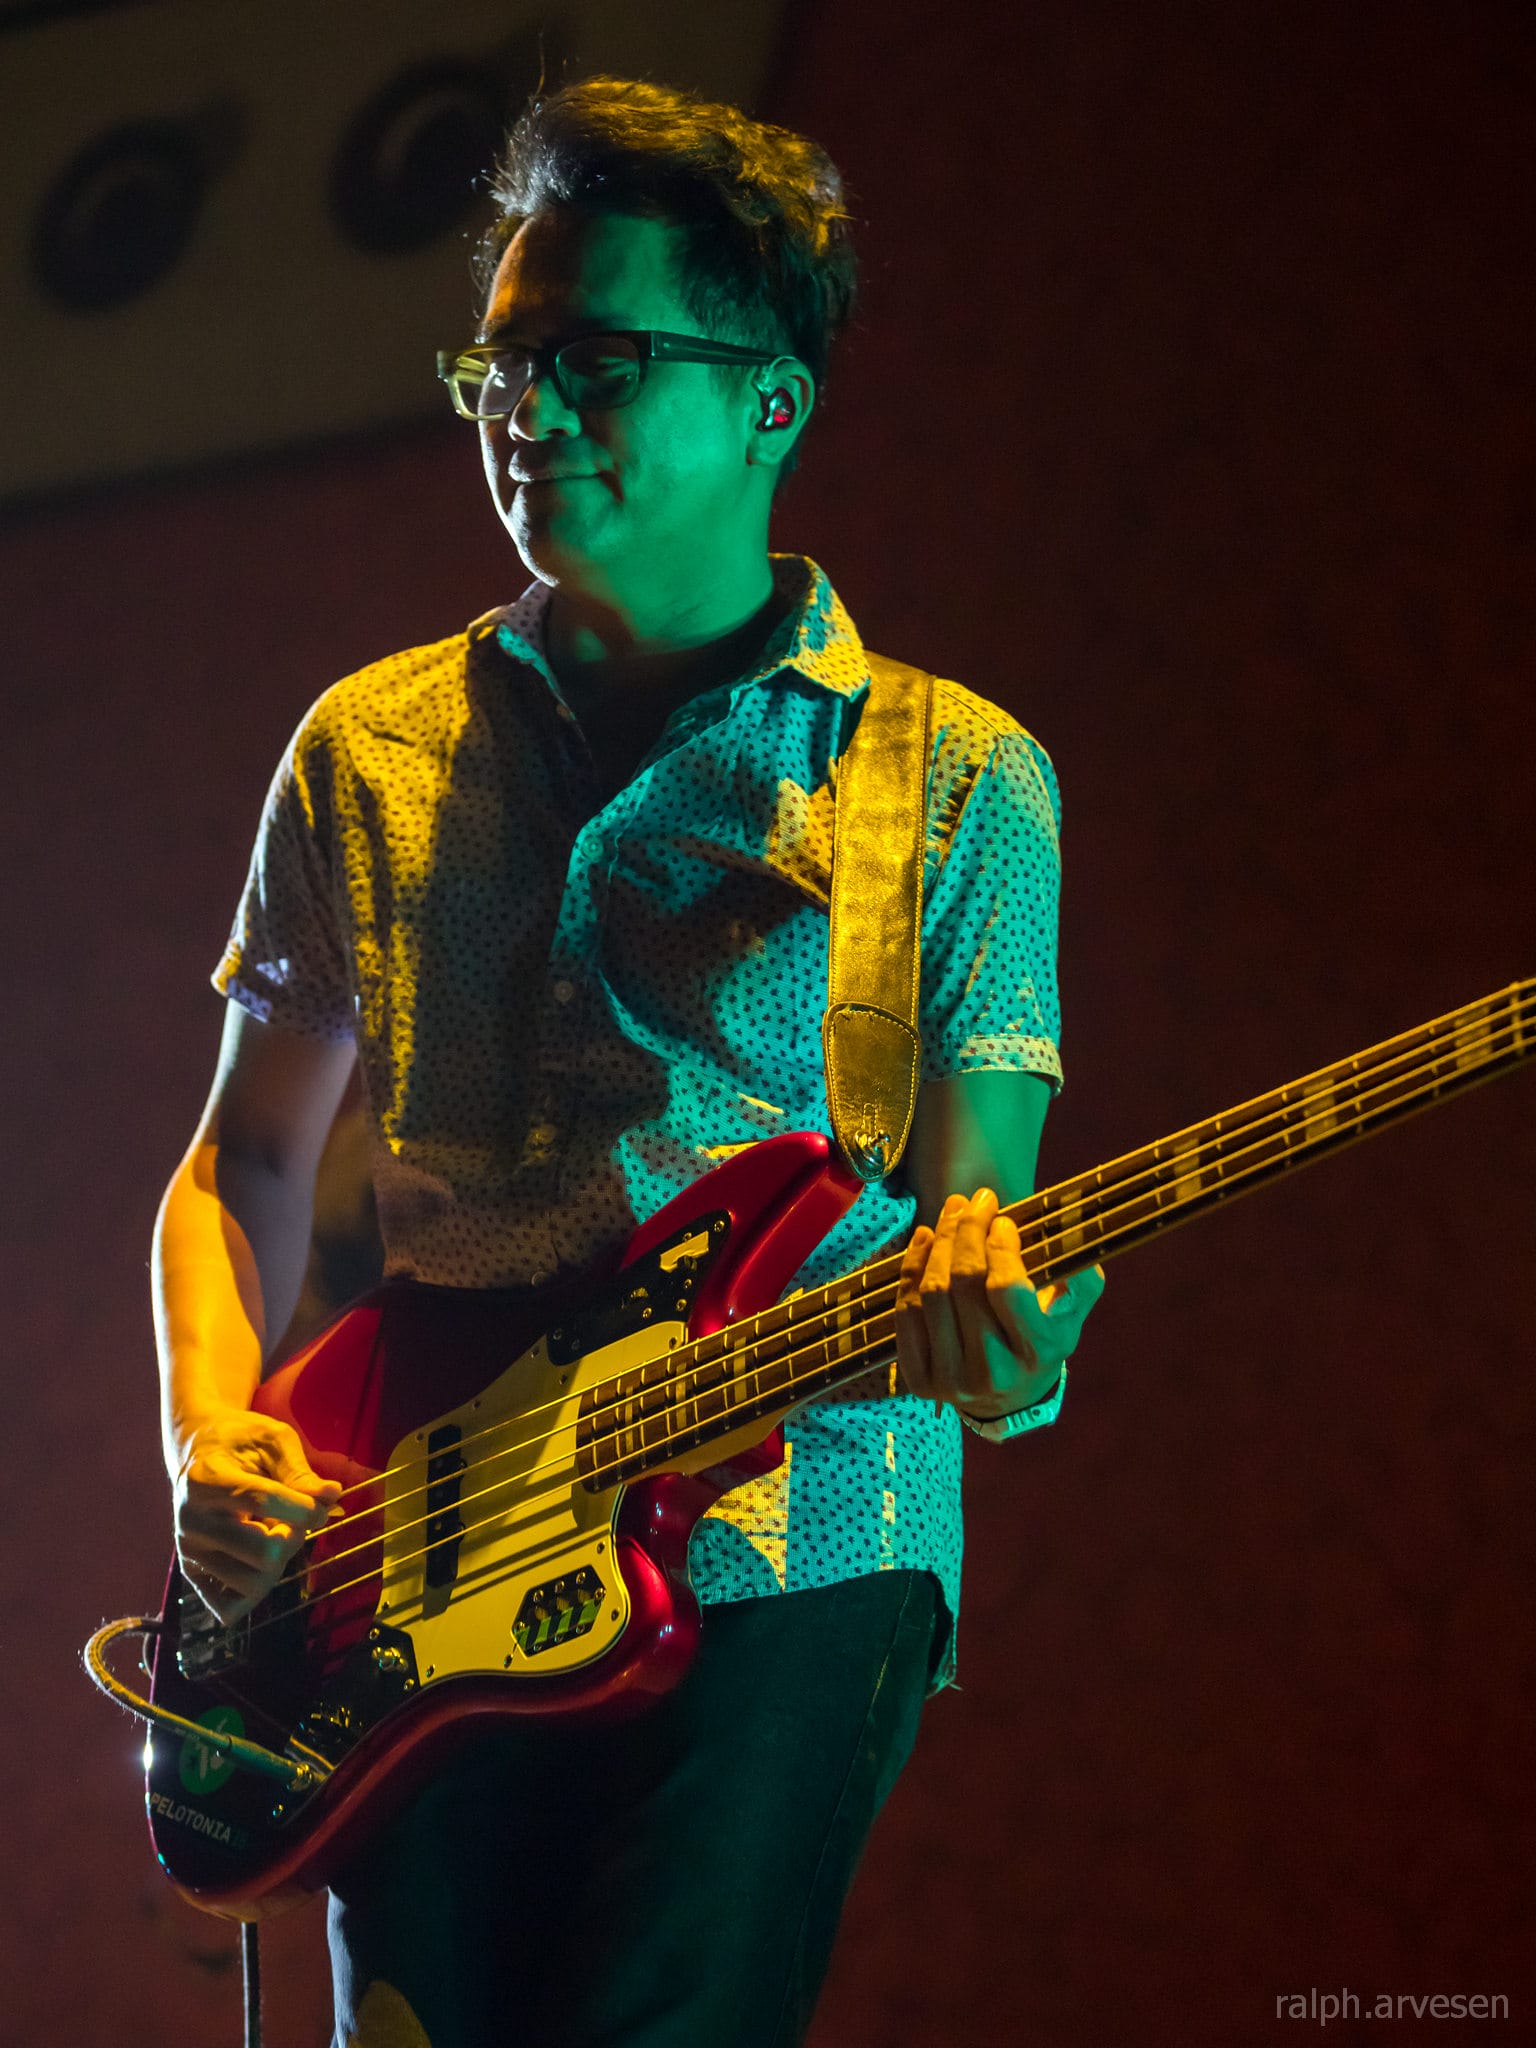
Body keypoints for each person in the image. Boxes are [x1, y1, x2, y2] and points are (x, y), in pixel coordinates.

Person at [152, 74, 1104, 2048]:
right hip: (426, 1530)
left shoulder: (962, 781)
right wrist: (216, 1440)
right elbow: (244, 1166)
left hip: (790, 1534)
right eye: (498, 366)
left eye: (595, 360)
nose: (527, 409)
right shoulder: (367, 749)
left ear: (773, 401)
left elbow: (974, 1226)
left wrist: (998, 1345)